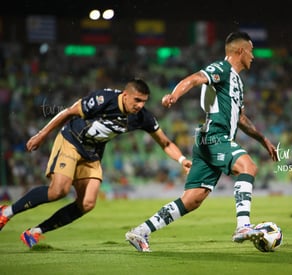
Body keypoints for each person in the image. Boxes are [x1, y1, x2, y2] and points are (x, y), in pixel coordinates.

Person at [125, 31, 278, 252]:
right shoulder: (223, 69)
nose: (253, 56)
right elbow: (195, 78)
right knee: (248, 166)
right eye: (251, 51)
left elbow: (241, 118)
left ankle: (141, 231)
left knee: (193, 199)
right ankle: (243, 227)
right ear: (240, 51)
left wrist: (263, 139)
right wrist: (174, 95)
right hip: (215, 136)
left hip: (209, 140)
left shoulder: (237, 82)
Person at [0, 78, 192, 248]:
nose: (141, 106)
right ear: (126, 95)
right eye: (137, 100)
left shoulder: (142, 117)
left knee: (88, 203)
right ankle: (6, 212)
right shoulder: (104, 99)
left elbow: (165, 142)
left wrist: (182, 159)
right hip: (72, 141)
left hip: (92, 153)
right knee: (58, 191)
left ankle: (35, 232)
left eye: (144, 102)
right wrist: (42, 135)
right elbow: (68, 112)